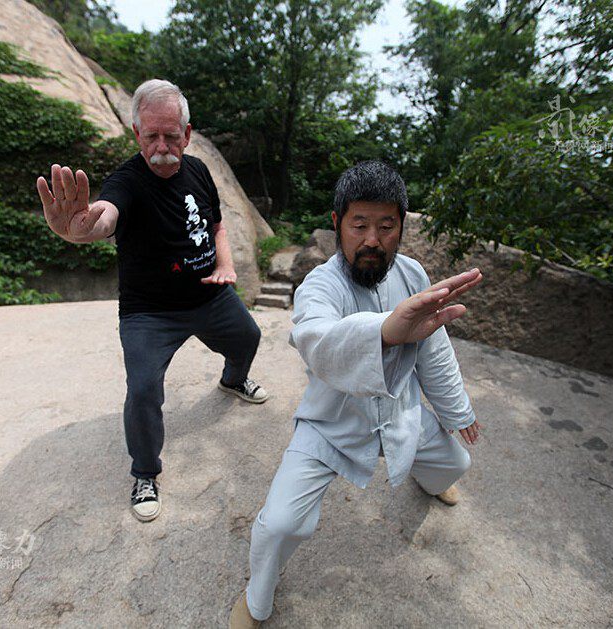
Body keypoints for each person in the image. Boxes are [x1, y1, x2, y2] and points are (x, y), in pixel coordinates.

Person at [229, 161, 483, 627]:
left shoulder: (413, 275)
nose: (372, 240)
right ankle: (256, 598)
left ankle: (430, 481)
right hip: (331, 425)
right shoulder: (320, 285)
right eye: (359, 224)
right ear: (337, 225)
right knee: (283, 524)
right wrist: (387, 330)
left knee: (457, 462)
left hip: (401, 414)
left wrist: (455, 409)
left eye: (386, 226)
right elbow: (316, 339)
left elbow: (435, 349)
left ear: (402, 226)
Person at [36, 79, 268, 523]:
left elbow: (217, 226)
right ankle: (145, 472)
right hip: (150, 312)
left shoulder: (198, 170)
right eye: (150, 136)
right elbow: (105, 214)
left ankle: (233, 380)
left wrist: (225, 266)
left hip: (208, 293)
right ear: (136, 134)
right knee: (143, 390)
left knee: (248, 336)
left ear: (187, 133)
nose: (161, 146)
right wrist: (80, 228)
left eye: (170, 135)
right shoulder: (126, 181)